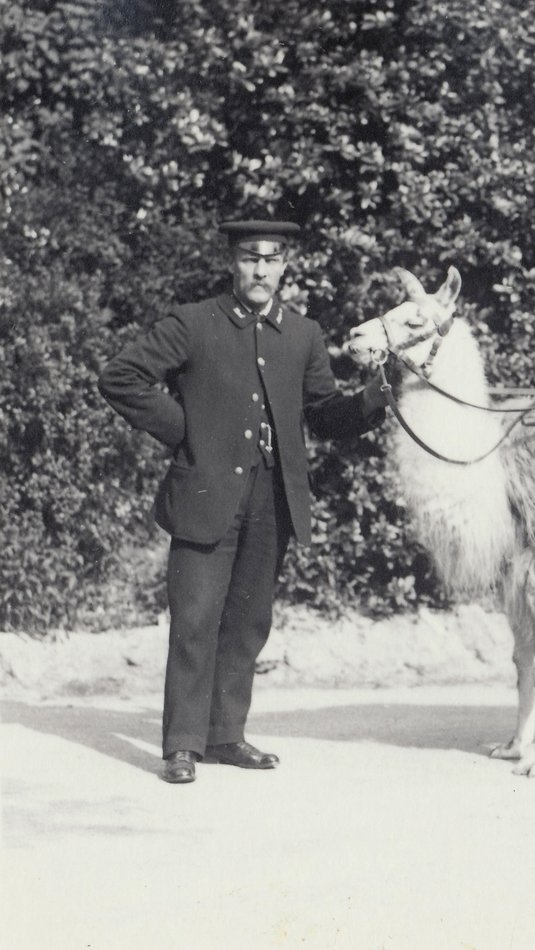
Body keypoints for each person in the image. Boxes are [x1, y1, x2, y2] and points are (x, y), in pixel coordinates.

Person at [98, 218, 389, 784]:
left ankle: (226, 735)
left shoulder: (302, 333)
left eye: (272, 258)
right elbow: (122, 377)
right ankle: (183, 745)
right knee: (195, 619)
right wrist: (188, 432)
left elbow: (325, 414)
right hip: (205, 491)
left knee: (249, 621)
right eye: (250, 258)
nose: (261, 269)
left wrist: (375, 396)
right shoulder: (194, 322)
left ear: (285, 266)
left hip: (272, 498)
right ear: (233, 262)